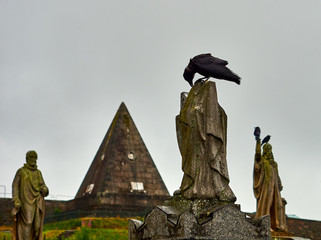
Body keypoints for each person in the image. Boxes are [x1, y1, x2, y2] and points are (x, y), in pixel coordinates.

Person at [176, 81, 236, 202]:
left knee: (205, 161)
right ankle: (193, 185)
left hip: (206, 146)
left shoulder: (217, 110)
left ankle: (206, 186)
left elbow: (218, 126)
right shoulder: (192, 109)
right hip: (196, 146)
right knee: (197, 162)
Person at [12, 150, 49, 240]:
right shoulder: (21, 171)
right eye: (31, 157)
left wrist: (45, 190)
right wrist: (16, 199)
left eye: (35, 157)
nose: (34, 159)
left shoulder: (38, 173)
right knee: (28, 223)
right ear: (27, 159)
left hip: (37, 201)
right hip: (25, 202)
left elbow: (44, 186)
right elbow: (15, 186)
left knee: (37, 227)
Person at [253, 138, 287, 232]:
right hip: (266, 188)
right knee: (266, 204)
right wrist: (258, 142)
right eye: (267, 149)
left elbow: (277, 175)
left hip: (275, 188)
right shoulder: (263, 161)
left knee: (279, 205)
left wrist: (279, 184)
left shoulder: (274, 164)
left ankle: (278, 225)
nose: (269, 151)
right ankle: (265, 224)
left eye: (270, 149)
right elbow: (258, 156)